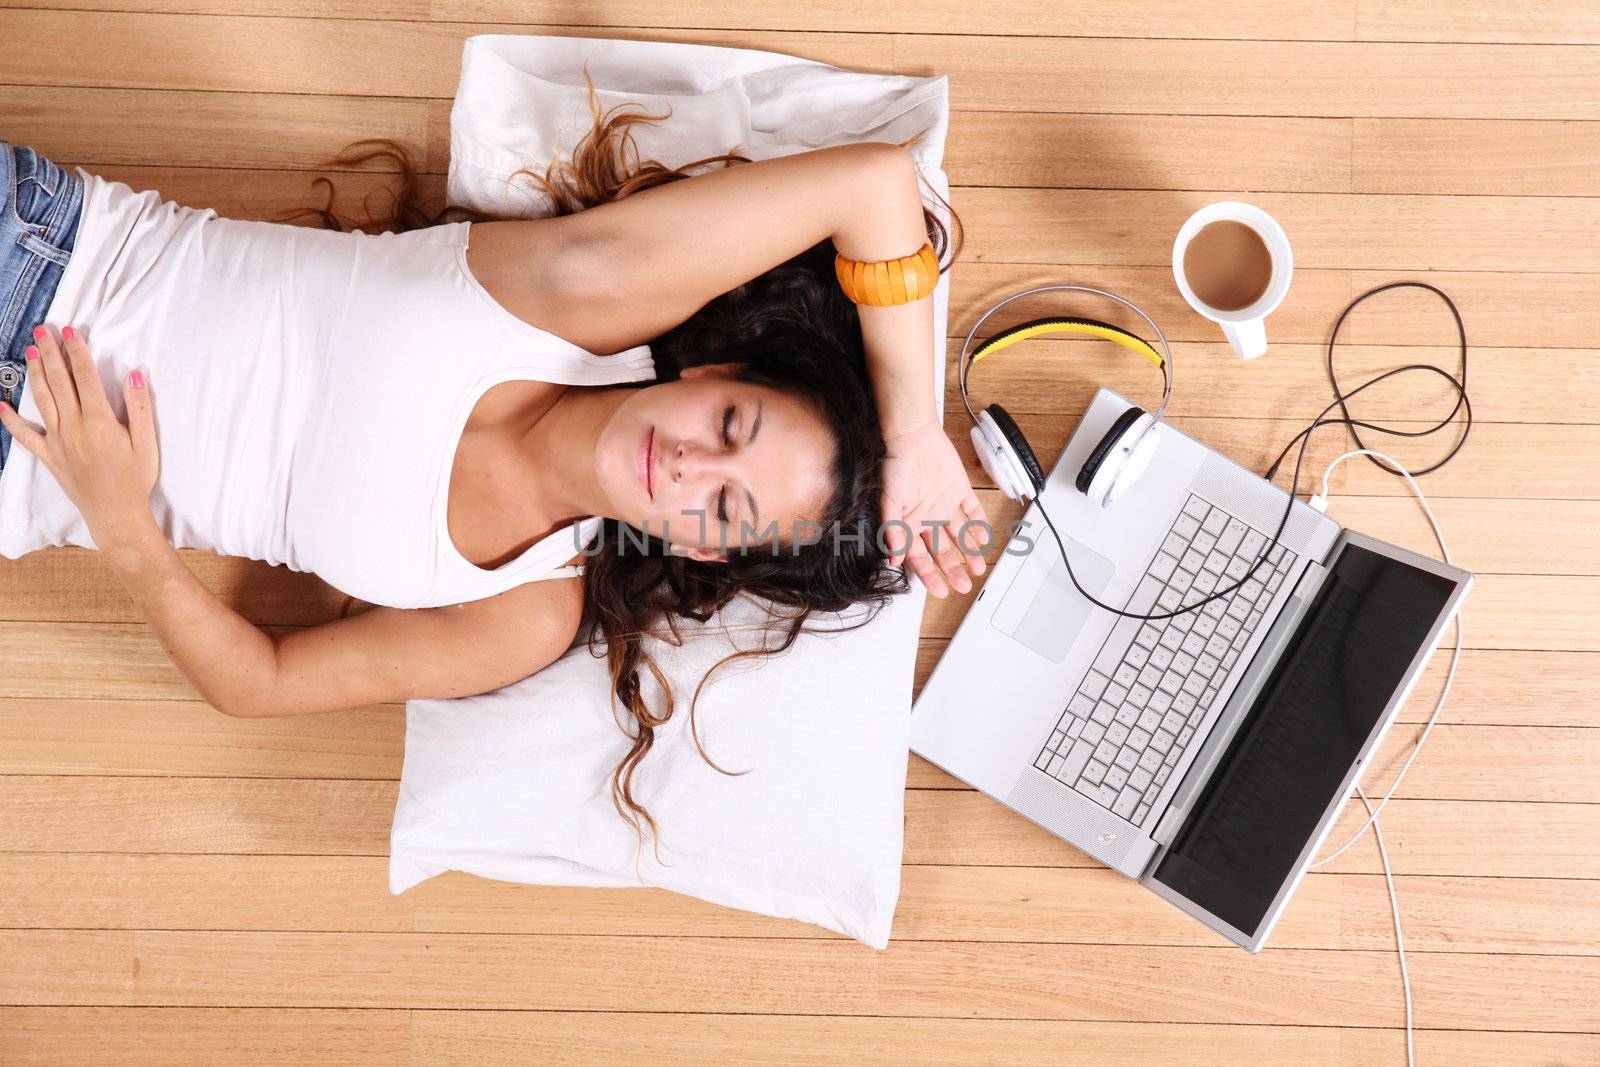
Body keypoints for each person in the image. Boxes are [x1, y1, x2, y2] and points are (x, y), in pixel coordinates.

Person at [0, 80, 991, 850]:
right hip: (46, 253)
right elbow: (874, 186)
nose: (687, 463)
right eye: (729, 422)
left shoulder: (522, 610)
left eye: (724, 507)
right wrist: (908, 436)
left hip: (22, 478)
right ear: (721, 368)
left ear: (701, 549)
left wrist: (125, 528)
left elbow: (258, 681)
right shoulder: (584, 297)